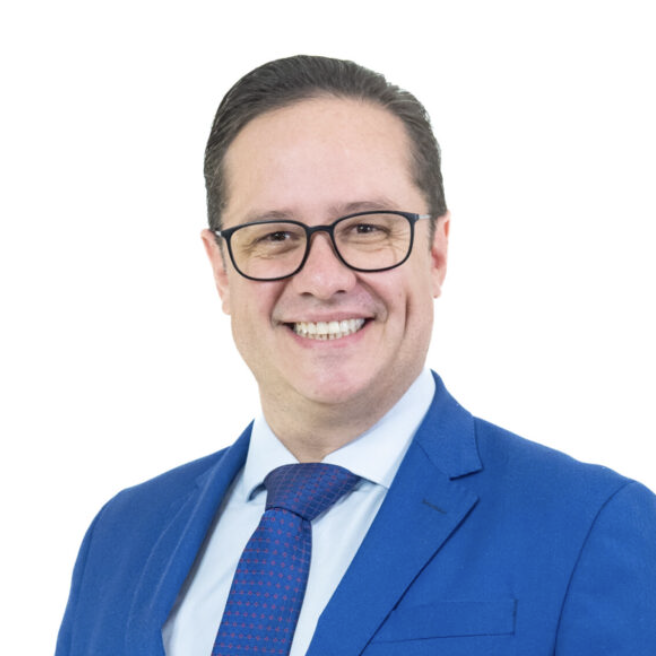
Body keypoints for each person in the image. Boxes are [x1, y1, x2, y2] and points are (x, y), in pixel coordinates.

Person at [56, 55, 656, 656]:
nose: (323, 280)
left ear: (436, 252)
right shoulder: (120, 539)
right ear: (221, 271)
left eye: (367, 228)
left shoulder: (593, 527)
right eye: (275, 236)